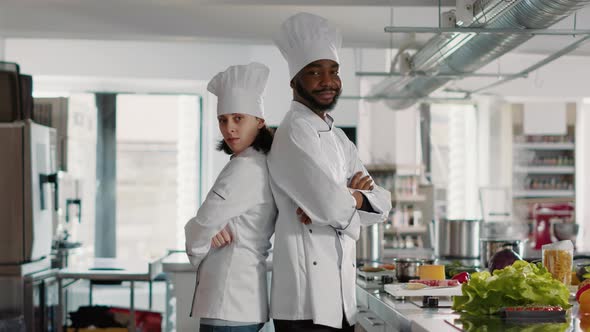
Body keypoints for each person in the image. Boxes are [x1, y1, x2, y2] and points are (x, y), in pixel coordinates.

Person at [268, 13, 393, 332]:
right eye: (314, 72)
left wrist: (349, 197)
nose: (328, 81)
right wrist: (350, 203)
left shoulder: (338, 136)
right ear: (294, 81)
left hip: (340, 298)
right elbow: (330, 206)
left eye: (333, 71)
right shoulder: (294, 131)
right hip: (304, 303)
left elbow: (383, 204)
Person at [184, 62, 276, 332]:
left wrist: (202, 234)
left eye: (238, 118)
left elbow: (202, 225)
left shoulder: (244, 167)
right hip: (243, 301)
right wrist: (209, 230)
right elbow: (211, 223)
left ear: (259, 121)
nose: (229, 128)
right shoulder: (260, 162)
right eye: (222, 120)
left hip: (229, 302)